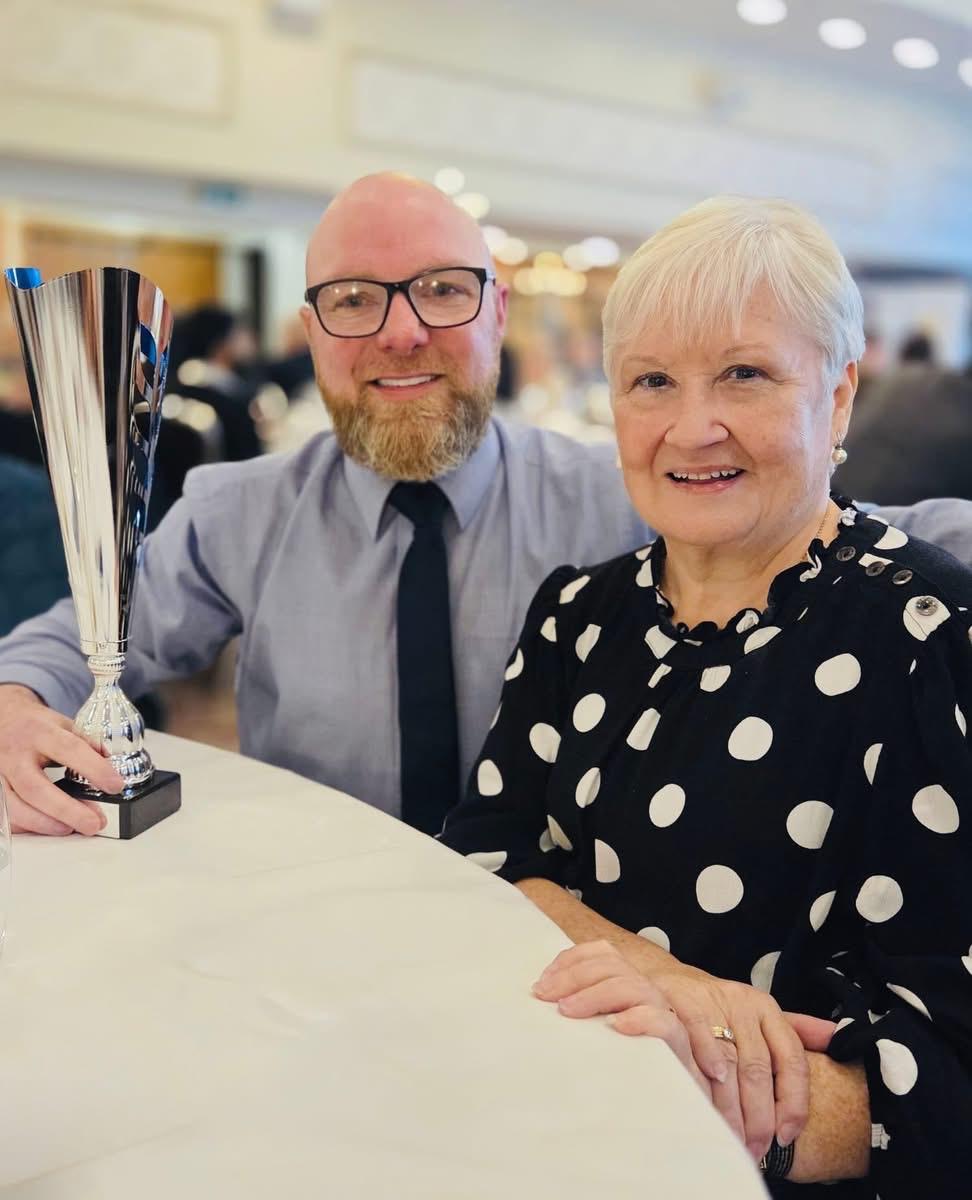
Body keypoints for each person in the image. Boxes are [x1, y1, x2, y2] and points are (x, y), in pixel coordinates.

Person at [0, 172, 968, 1172]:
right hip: (319, 963)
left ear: (497, 310)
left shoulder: (630, 490)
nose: (401, 332)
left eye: (444, 290)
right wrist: (12, 698)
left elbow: (835, 528)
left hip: (554, 1014)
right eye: (354, 298)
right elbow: (95, 629)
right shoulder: (243, 513)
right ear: (314, 326)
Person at [439, 196, 972, 1197]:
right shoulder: (575, 616)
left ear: (841, 394)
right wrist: (671, 985)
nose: (692, 427)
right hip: (552, 1136)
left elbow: (948, 1074)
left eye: (745, 373)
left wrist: (707, 1076)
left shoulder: (930, 636)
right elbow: (486, 865)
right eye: (651, 381)